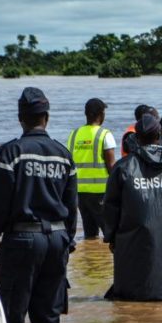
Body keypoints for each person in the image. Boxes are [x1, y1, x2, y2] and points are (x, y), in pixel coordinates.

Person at [0, 87, 77, 323]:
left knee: (11, 316)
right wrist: (68, 241)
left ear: (20, 118)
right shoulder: (63, 154)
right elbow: (72, 206)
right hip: (57, 240)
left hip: (22, 240)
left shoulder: (10, 153)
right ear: (46, 117)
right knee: (49, 317)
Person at [103, 114, 162, 301]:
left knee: (128, 301)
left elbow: (110, 208)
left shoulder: (122, 168)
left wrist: (111, 238)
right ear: (159, 135)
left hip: (129, 243)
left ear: (136, 138)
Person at [67, 98, 116, 239]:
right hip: (100, 192)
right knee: (110, 234)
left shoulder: (74, 135)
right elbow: (112, 166)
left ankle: (91, 258)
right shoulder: (105, 134)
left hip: (80, 192)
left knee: (90, 236)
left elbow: (69, 164)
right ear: (101, 114)